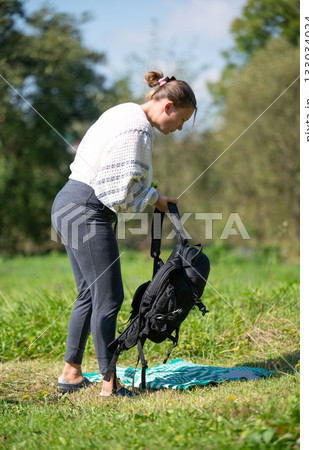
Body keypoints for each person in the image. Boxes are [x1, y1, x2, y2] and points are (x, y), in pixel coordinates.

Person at [51, 70, 197, 397]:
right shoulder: (138, 129)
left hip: (67, 201)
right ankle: (109, 384)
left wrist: (147, 194)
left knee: (89, 294)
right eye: (183, 120)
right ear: (168, 106)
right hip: (88, 210)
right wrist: (154, 199)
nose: (180, 128)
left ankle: (71, 374)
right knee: (110, 297)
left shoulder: (122, 111)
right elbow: (117, 192)